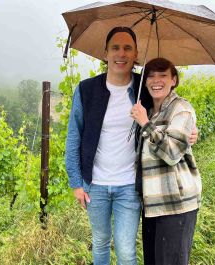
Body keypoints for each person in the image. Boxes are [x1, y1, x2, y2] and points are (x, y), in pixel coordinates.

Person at [66, 27, 198, 265]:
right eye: (115, 47)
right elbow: (74, 137)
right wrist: (76, 182)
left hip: (130, 185)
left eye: (128, 48)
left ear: (136, 54)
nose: (121, 53)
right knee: (100, 243)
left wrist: (191, 131)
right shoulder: (86, 90)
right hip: (95, 184)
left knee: (126, 250)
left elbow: (171, 111)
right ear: (105, 52)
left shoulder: (143, 88)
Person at [130, 57, 202, 265]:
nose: (156, 80)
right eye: (151, 76)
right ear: (144, 81)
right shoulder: (150, 112)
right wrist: (145, 120)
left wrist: (145, 124)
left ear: (174, 80)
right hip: (152, 204)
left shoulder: (181, 109)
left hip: (176, 205)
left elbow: (171, 154)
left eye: (163, 75)